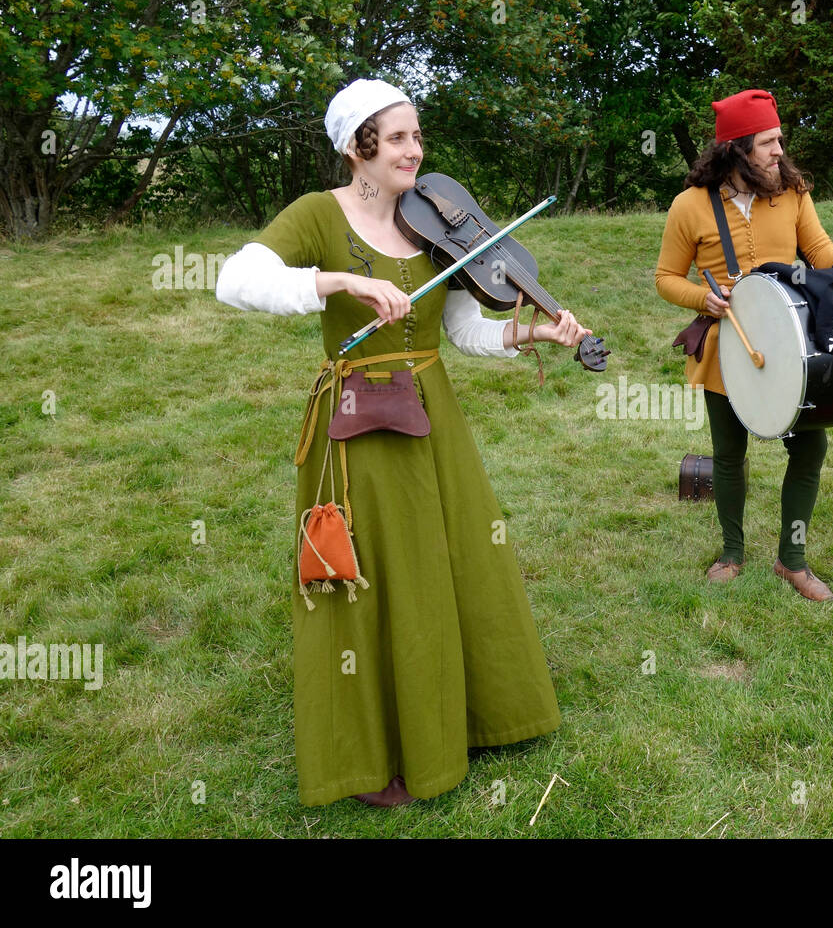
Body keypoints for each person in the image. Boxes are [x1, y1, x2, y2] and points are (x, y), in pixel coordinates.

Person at [214, 78, 589, 807]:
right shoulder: (320, 214)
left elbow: (461, 332)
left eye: (417, 137)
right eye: (396, 138)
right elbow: (236, 280)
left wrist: (530, 331)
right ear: (358, 149)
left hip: (432, 418)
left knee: (453, 564)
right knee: (375, 578)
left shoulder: (430, 224)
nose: (414, 150)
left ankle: (466, 716)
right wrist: (335, 283)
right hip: (358, 425)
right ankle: (376, 749)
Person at [655, 89, 833, 602]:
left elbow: (821, 251)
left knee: (810, 446)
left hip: (793, 347)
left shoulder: (793, 193)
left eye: (779, 138)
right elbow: (665, 277)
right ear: (737, 149)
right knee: (728, 455)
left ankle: (793, 560)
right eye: (768, 142)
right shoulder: (689, 206)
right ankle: (732, 553)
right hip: (727, 348)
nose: (779, 150)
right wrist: (704, 297)